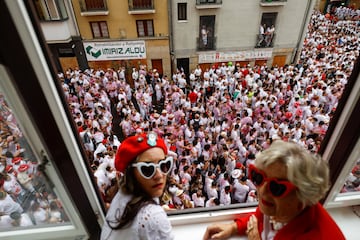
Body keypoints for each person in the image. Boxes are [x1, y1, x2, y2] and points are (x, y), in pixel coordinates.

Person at [203, 140, 345, 240]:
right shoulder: (276, 206)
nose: (263, 191)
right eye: (258, 177)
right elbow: (260, 216)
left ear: (304, 197)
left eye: (277, 187)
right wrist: (234, 227)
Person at [101, 132, 174, 240]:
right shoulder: (153, 216)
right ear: (131, 174)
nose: (159, 175)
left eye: (164, 165)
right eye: (147, 169)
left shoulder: (121, 196)